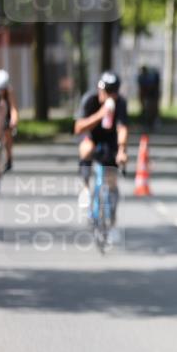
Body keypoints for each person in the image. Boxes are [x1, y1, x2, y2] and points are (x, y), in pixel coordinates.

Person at [73, 71, 129, 240]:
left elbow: (122, 128)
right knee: (86, 149)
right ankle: (84, 187)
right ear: (100, 89)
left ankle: (111, 221)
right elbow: (78, 128)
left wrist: (121, 150)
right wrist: (101, 114)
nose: (110, 95)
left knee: (111, 183)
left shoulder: (120, 103)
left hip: (110, 143)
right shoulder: (89, 100)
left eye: (114, 92)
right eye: (107, 91)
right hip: (93, 138)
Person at [0, 69, 18, 172]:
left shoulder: (9, 92)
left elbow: (13, 108)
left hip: (6, 115)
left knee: (7, 134)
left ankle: (9, 157)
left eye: (2, 88)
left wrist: (14, 120)